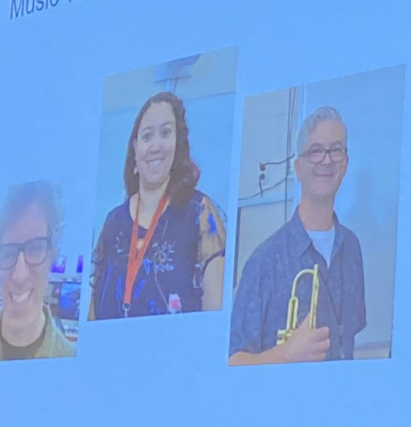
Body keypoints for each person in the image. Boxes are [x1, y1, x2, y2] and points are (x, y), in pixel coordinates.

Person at [230, 106, 367, 364]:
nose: (327, 160)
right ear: (298, 167)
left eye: (336, 150)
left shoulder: (352, 248)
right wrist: (285, 354)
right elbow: (233, 361)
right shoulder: (264, 261)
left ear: (346, 163)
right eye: (315, 151)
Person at [89, 90, 227, 319]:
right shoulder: (113, 222)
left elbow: (215, 319)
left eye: (165, 133)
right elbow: (93, 312)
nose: (155, 146)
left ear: (178, 144)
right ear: (135, 148)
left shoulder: (200, 213)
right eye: (146, 136)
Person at [0, 181, 76, 361]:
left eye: (35, 249)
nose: (19, 276)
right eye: (8, 252)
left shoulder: (70, 359)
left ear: (53, 255)